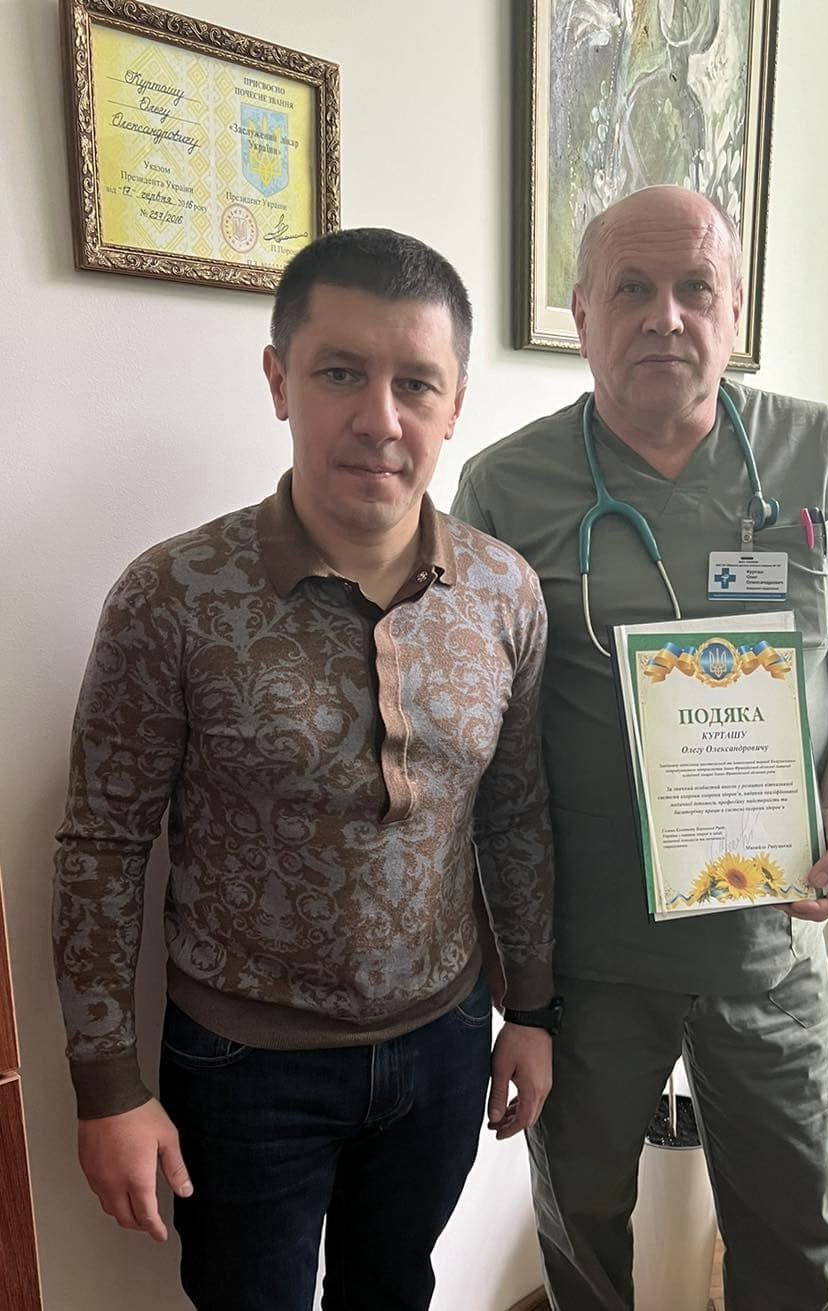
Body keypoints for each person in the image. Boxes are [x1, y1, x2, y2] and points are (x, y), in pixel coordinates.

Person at [451, 185, 828, 1311]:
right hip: (586, 961)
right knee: (581, 1243)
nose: (663, 316)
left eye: (694, 289)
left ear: (735, 312)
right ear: (582, 312)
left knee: (795, 1251)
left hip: (766, 944)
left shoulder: (824, 457)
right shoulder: (505, 489)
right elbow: (480, 728)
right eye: (630, 288)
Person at [52, 228, 559, 1311]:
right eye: (340, 373)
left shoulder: (505, 593)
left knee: (395, 1294)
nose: (380, 418)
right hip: (243, 1067)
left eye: (415, 383)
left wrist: (533, 1009)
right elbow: (101, 847)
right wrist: (106, 1086)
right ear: (280, 380)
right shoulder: (172, 595)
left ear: (454, 405)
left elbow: (513, 817)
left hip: (441, 1045)